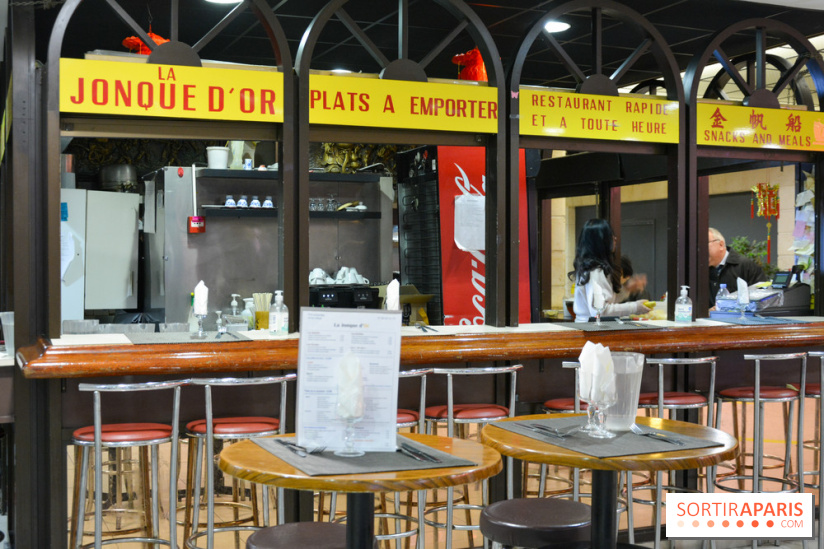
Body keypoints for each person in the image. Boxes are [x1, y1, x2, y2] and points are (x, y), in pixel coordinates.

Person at [569, 219, 651, 322]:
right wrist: (634, 307)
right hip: (590, 329)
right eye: (610, 236)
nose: (615, 238)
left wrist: (627, 290)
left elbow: (605, 303)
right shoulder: (596, 272)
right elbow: (600, 312)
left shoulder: (592, 268)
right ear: (600, 241)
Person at [708, 227, 767, 307]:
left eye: (704, 244)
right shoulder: (699, 270)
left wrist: (730, 306)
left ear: (721, 245)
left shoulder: (746, 266)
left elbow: (763, 298)